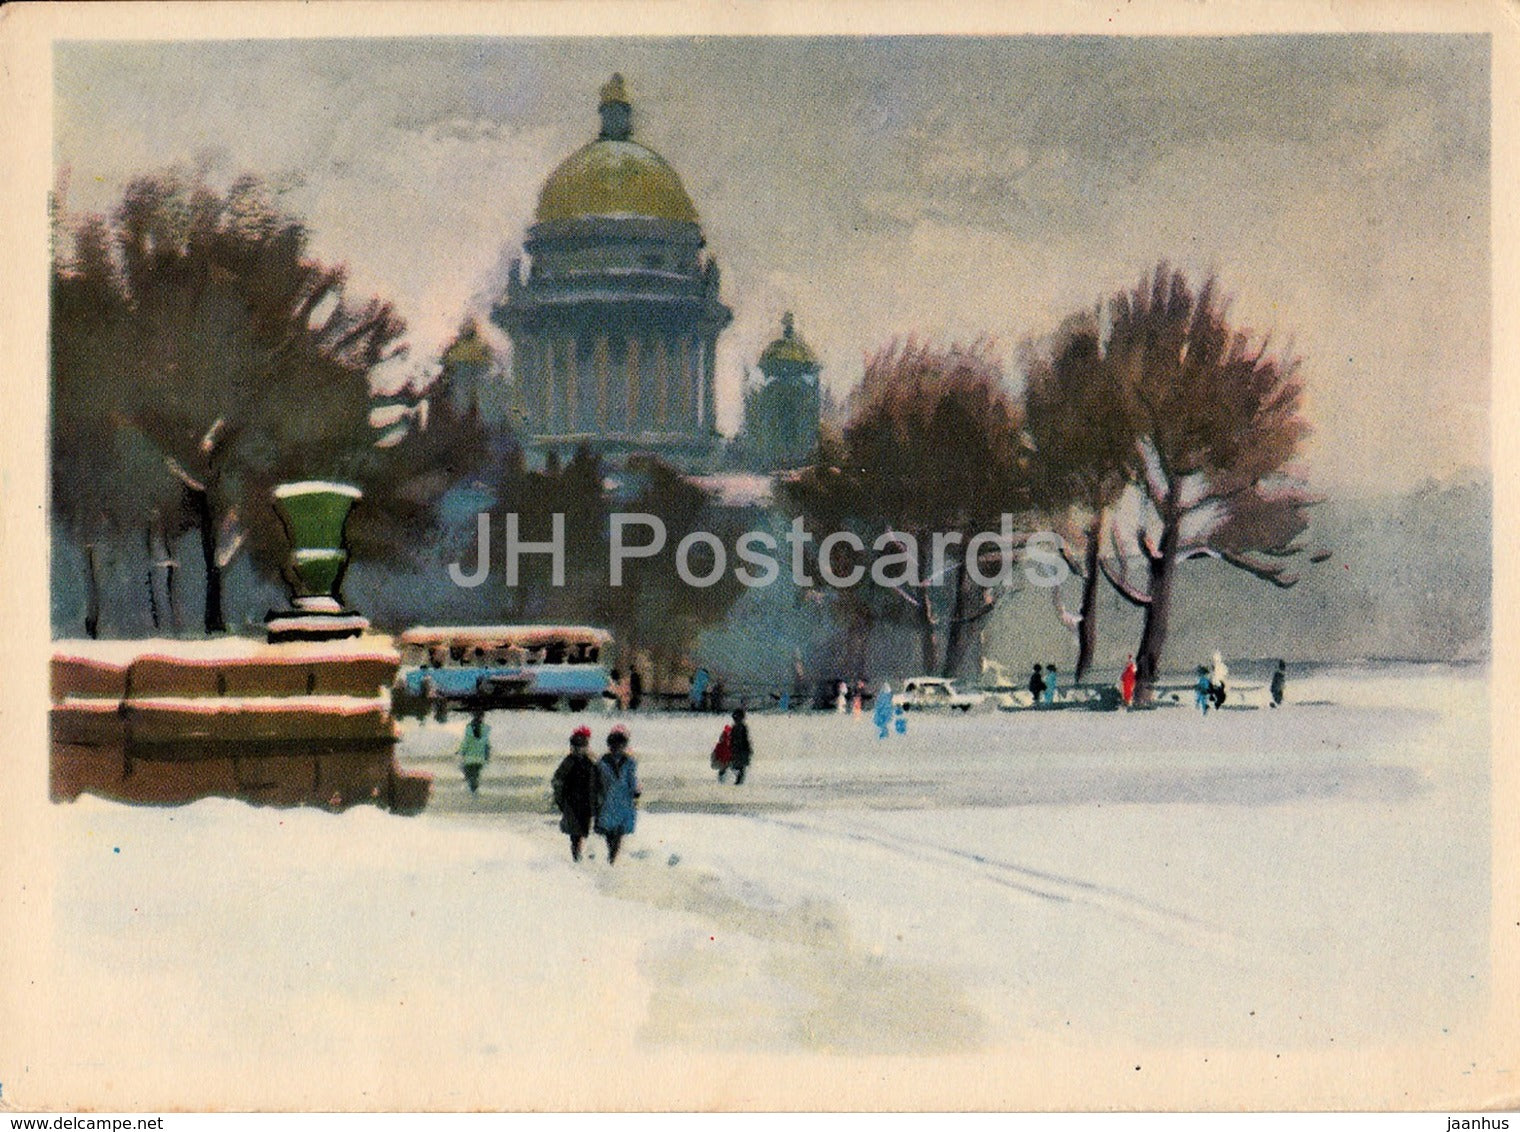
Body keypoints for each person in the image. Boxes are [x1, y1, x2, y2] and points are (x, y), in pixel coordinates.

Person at [552, 726, 600, 861]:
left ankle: (581, 858)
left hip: (582, 803)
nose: (579, 749)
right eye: (577, 746)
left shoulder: (588, 761)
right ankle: (579, 858)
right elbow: (558, 782)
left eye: (582, 746)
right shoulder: (576, 761)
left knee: (580, 833)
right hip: (577, 803)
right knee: (578, 834)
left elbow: (557, 782)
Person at [595, 725, 641, 864]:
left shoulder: (629, 762)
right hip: (608, 801)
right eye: (615, 743)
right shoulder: (603, 761)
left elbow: (632, 779)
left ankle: (612, 860)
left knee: (618, 832)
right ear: (610, 744)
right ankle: (611, 859)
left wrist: (636, 792)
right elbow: (597, 781)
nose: (618, 747)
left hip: (622, 801)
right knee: (610, 832)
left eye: (621, 744)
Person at [457, 709, 491, 793]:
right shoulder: (485, 728)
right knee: (475, 776)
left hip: (469, 760)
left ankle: (472, 789)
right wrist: (487, 757)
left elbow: (466, 742)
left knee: (467, 773)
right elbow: (487, 745)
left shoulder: (469, 728)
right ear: (482, 717)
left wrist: (460, 751)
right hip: (480, 760)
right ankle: (475, 790)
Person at [728, 707, 753, 785]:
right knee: (737, 767)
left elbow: (744, 739)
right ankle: (739, 780)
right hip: (738, 750)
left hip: (740, 750)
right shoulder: (736, 727)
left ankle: (739, 781)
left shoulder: (741, 727)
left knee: (739, 767)